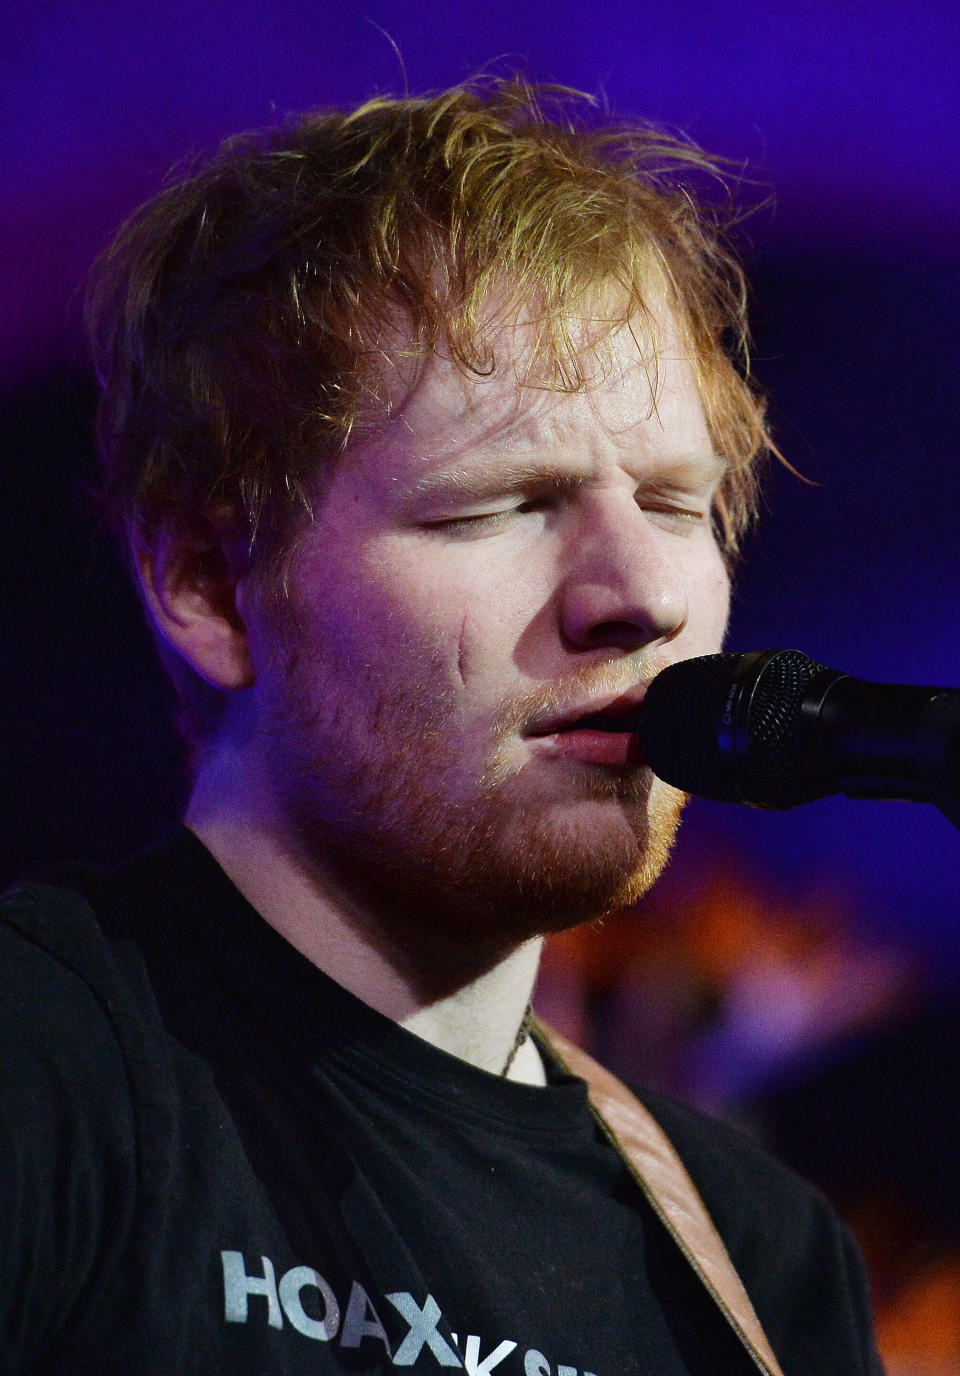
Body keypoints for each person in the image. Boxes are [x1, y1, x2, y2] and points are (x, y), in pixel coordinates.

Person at [0, 79, 883, 1374]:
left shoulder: (761, 1264)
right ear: (206, 582)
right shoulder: (46, 1069)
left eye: (677, 503)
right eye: (499, 505)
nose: (637, 598)